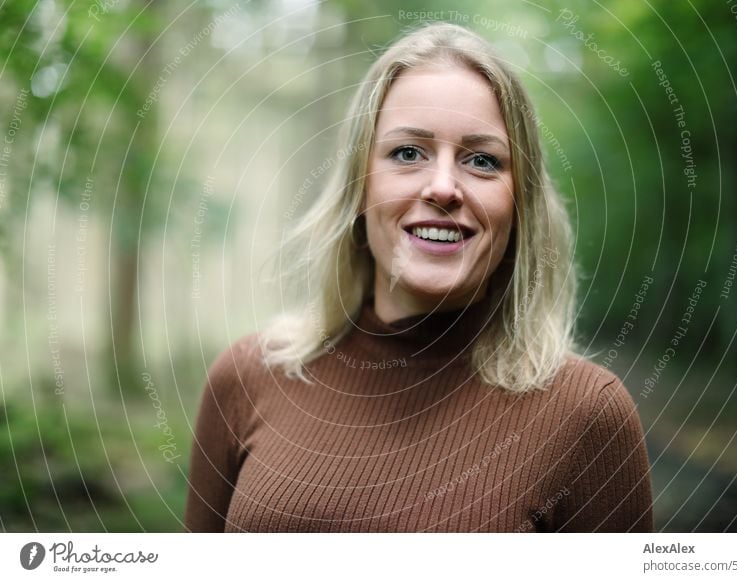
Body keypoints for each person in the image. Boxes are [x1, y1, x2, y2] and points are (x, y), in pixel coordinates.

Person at [184, 22, 653, 533]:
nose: (444, 187)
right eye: (408, 153)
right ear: (359, 188)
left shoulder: (587, 417)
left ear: (521, 204)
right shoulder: (247, 379)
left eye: (482, 160)